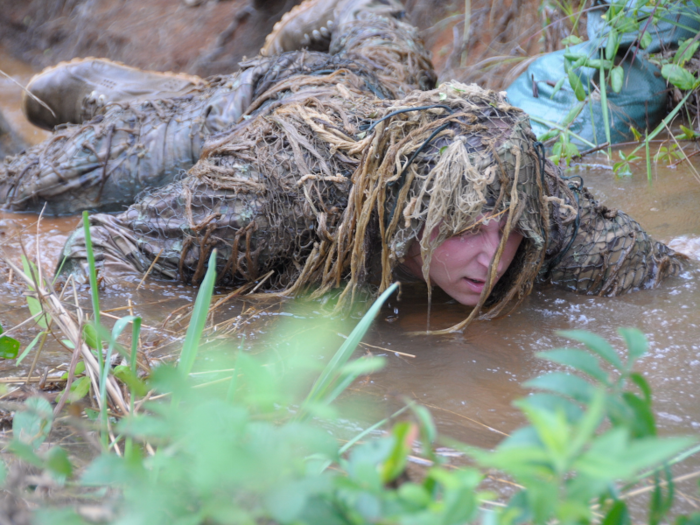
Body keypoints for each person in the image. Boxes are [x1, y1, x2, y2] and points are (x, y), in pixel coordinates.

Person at [0, 0, 684, 332]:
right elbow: (96, 258)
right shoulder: (270, 191)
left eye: (507, 231)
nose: (492, 256)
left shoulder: (540, 207)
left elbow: (671, 271)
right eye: (469, 228)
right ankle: (134, 106)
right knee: (25, 187)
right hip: (259, 112)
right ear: (411, 212)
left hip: (386, 90)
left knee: (379, 38)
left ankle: (154, 94)